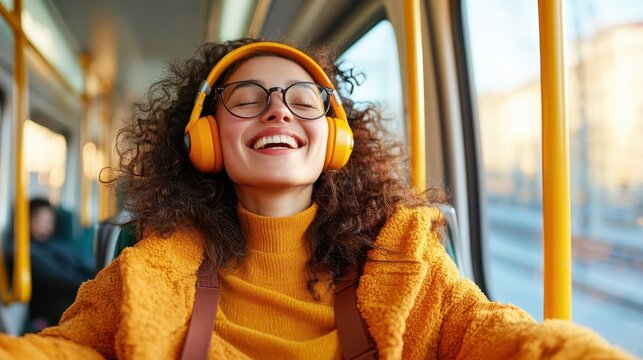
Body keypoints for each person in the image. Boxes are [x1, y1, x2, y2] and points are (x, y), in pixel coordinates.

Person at [0, 39, 632, 359]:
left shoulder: (404, 259)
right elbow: (68, 348)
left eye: (303, 100)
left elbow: (498, 337)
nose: (278, 109)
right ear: (204, 138)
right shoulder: (147, 269)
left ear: (333, 138)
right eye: (246, 98)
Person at [5, 198, 95, 333]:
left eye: (50, 222)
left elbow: (82, 264)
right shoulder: (23, 251)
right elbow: (56, 279)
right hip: (48, 308)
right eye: (43, 221)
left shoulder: (55, 245)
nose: (48, 226)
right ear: (27, 221)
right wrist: (92, 286)